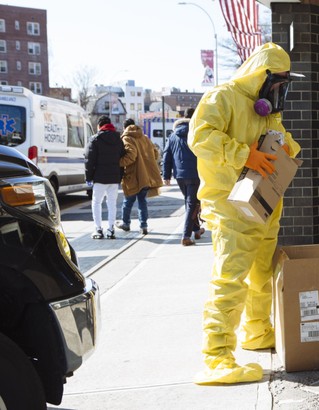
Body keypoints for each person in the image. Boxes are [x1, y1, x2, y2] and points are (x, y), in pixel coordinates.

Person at [188, 42, 301, 385]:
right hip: (229, 204)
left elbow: (284, 140)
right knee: (230, 279)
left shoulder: (268, 110)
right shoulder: (221, 98)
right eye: (277, 81)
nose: (281, 88)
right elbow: (201, 137)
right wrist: (243, 155)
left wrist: (289, 149)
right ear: (261, 76)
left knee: (261, 274)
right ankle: (216, 356)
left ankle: (257, 331)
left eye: (285, 82)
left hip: (263, 203)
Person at [162, 107, 205, 246]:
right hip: (195, 173)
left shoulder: (173, 136)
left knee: (189, 202)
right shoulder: (197, 132)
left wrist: (166, 175)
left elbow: (166, 155)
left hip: (179, 175)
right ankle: (186, 236)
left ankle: (197, 230)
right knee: (192, 204)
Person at [116, 118, 163, 235]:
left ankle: (126, 223)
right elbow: (156, 153)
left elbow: (131, 155)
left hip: (133, 175)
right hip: (146, 175)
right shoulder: (145, 137)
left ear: (124, 127)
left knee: (128, 201)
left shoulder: (127, 138)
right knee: (142, 201)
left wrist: (118, 162)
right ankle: (143, 226)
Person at [85, 115, 124, 239]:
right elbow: (122, 158)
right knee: (112, 203)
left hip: (99, 177)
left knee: (96, 202)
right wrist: (120, 176)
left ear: (99, 126)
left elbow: (89, 160)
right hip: (114, 177)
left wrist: (89, 177)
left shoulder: (95, 139)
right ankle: (111, 229)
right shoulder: (118, 139)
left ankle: (98, 229)